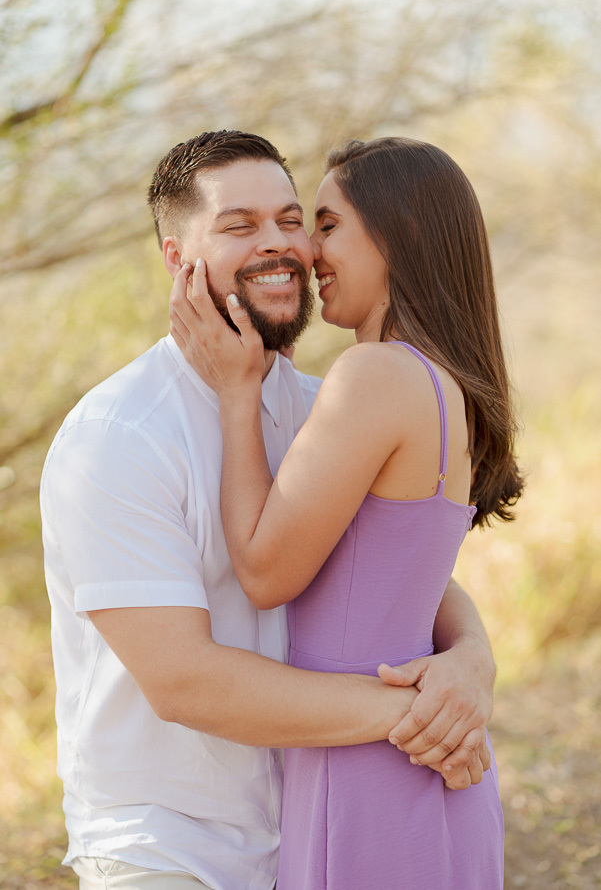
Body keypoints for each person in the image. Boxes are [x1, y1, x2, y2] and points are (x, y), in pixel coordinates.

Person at [41, 131, 497, 890]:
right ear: (175, 256)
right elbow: (185, 682)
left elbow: (389, 565)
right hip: (170, 848)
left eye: (294, 220)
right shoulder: (116, 436)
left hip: (307, 822)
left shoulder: (324, 406)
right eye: (239, 225)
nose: (282, 245)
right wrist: (418, 712)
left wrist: (471, 659)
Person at [169, 136, 525, 889]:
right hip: (423, 763)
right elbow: (396, 570)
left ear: (398, 234)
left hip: (364, 776)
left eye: (324, 225)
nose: (306, 251)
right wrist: (472, 657)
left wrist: (238, 396)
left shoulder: (373, 375)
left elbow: (265, 571)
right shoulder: (438, 380)